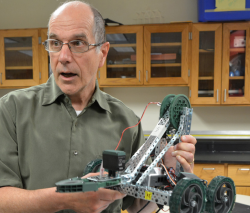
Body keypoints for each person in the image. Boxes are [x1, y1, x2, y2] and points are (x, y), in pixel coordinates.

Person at [0, 1, 196, 213]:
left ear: (102, 53)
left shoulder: (128, 122)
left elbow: (138, 204)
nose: (63, 57)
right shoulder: (11, 110)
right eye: (55, 43)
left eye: (78, 43)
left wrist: (168, 174)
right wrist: (66, 198)